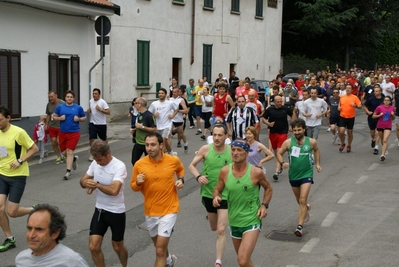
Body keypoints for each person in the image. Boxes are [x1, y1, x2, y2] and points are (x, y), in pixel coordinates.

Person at [213, 140, 273, 267]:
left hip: (251, 219)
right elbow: (217, 189)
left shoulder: (256, 172)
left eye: (239, 150)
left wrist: (264, 205)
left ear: (246, 153)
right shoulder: (225, 171)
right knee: (243, 262)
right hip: (234, 220)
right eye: (233, 150)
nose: (235, 153)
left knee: (243, 260)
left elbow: (268, 188)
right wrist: (216, 197)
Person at [131, 132, 184, 267]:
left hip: (169, 209)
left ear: (161, 145)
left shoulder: (172, 160)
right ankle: (169, 261)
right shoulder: (139, 164)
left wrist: (181, 180)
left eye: (153, 145)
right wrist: (137, 182)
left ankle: (165, 260)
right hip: (150, 211)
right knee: (159, 247)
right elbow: (134, 187)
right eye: (147, 145)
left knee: (159, 250)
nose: (149, 148)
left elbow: (180, 170)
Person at [188, 124, 232, 267]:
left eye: (220, 135)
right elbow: (191, 166)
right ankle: (223, 221)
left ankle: (218, 261)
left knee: (220, 230)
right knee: (214, 227)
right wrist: (198, 176)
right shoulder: (206, 149)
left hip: (225, 194)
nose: (217, 138)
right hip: (208, 193)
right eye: (214, 135)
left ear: (226, 136)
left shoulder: (232, 152)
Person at [80, 141, 128, 267]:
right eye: (96, 160)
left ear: (108, 153)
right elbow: (83, 180)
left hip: (116, 212)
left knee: (117, 247)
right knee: (93, 247)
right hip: (100, 210)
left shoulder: (119, 166)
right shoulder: (95, 163)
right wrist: (86, 183)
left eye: (100, 159)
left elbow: (114, 190)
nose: (98, 163)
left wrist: (96, 185)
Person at [0, 106, 39, 252]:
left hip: (17, 176)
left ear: (8, 118)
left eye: (0, 120)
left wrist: (21, 160)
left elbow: (34, 148)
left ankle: (33, 209)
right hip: (2, 174)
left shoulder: (19, 132)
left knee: (12, 212)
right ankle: (10, 239)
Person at [276, 119, 322, 237]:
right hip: (293, 175)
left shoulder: (311, 142)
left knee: (302, 199)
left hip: (306, 174)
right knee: (300, 201)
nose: (296, 132)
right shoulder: (288, 143)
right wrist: (282, 163)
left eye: (299, 130)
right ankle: (306, 207)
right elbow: (279, 153)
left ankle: (299, 227)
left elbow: (316, 150)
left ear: (304, 129)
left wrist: (317, 164)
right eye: (295, 130)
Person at [15, 204, 89, 266]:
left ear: (55, 234)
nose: (31, 235)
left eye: (39, 229)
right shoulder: (21, 259)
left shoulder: (71, 261)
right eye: (29, 228)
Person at [53, 90, 86, 180]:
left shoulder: (78, 108)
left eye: (71, 97)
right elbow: (54, 117)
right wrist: (60, 118)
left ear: (73, 98)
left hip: (74, 132)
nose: (69, 98)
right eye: (68, 97)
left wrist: (78, 119)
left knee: (69, 151)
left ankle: (68, 171)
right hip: (63, 132)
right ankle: (74, 159)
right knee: (64, 153)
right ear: (65, 98)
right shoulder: (60, 107)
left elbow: (84, 117)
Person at [262, 96, 296, 181]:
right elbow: (263, 118)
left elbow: (293, 114)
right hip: (273, 133)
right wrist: (269, 124)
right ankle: (281, 164)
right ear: (274, 102)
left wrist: (292, 125)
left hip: (283, 132)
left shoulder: (285, 108)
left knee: (279, 152)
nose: (280, 103)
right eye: (278, 102)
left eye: (281, 101)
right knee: (276, 152)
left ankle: (276, 172)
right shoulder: (270, 109)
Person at [148, 88, 179, 155]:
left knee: (163, 140)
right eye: (159, 93)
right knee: (161, 141)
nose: (160, 95)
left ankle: (162, 155)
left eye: (162, 93)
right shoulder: (154, 104)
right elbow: (149, 113)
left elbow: (176, 109)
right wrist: (154, 115)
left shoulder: (170, 103)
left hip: (167, 125)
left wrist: (172, 116)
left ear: (165, 94)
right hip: (158, 126)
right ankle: (171, 152)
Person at [130, 97, 157, 166]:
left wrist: (142, 127)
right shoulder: (138, 114)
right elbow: (138, 125)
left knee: (150, 162)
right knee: (134, 162)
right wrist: (134, 129)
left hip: (147, 144)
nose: (134, 105)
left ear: (140, 104)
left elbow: (154, 129)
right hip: (138, 142)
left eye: (136, 103)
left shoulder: (149, 115)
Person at [87, 88, 110, 161]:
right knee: (91, 138)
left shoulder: (102, 102)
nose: (94, 95)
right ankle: (92, 153)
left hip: (101, 123)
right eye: (93, 94)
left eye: (96, 94)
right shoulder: (90, 101)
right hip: (93, 123)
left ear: (99, 94)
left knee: (104, 139)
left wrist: (101, 109)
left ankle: (106, 150)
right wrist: (89, 111)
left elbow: (108, 112)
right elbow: (91, 110)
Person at [337, 84, 362, 153]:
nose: (348, 89)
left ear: (352, 90)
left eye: (349, 88)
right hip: (342, 116)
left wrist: (355, 106)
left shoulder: (354, 97)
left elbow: (360, 106)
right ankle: (342, 143)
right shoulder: (342, 97)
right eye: (347, 88)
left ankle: (349, 145)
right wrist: (338, 108)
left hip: (351, 117)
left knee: (349, 132)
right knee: (341, 131)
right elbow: (339, 105)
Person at [372, 96, 395, 161]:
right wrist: (379, 115)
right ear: (383, 101)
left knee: (385, 140)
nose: (386, 101)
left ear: (390, 102)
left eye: (388, 100)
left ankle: (382, 155)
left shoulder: (392, 108)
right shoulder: (379, 107)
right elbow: (373, 116)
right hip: (380, 126)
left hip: (388, 126)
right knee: (382, 140)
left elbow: (393, 118)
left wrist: (393, 115)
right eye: (385, 100)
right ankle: (385, 149)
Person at [45, 90, 65, 164]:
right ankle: (59, 156)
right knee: (53, 142)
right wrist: (46, 124)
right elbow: (48, 115)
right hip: (52, 126)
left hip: (61, 126)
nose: (50, 98)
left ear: (56, 96)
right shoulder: (49, 105)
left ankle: (66, 154)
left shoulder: (62, 103)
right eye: (49, 97)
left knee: (59, 141)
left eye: (52, 97)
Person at [363, 84, 384, 155]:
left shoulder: (383, 99)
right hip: (371, 117)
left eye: (377, 91)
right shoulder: (371, 99)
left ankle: (376, 147)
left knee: (377, 132)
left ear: (380, 92)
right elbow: (365, 106)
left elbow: (387, 107)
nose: (375, 92)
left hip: (380, 118)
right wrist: (368, 112)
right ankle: (373, 139)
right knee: (372, 132)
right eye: (374, 91)